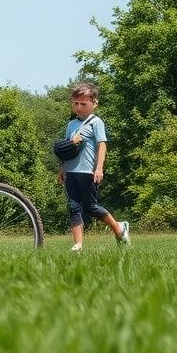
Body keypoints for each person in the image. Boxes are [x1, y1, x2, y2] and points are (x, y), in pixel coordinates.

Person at [59, 82, 129, 252]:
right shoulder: (71, 125)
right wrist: (62, 168)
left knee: (91, 207)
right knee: (74, 207)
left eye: (83, 104)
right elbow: (68, 149)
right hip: (71, 171)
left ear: (94, 103)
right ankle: (78, 245)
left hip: (88, 172)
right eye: (76, 103)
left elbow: (102, 145)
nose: (79, 107)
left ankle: (120, 229)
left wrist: (99, 168)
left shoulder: (96, 122)